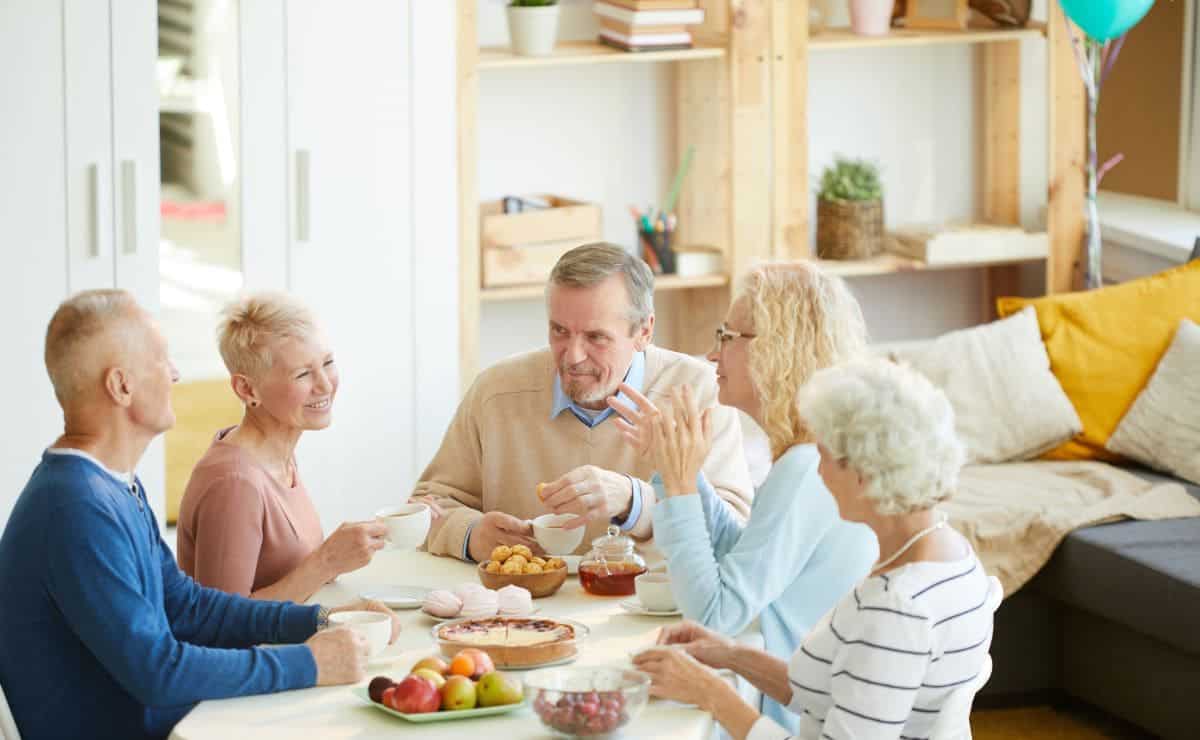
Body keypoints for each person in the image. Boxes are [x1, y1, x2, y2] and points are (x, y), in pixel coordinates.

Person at [0, 290, 399, 740]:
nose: (174, 373)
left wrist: (318, 620)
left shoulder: (108, 486)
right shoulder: (74, 510)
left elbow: (189, 607)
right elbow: (159, 672)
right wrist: (310, 662)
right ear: (121, 386)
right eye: (161, 359)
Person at [633, 359, 1001, 740]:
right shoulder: (952, 555)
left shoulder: (897, 608)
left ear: (863, 472)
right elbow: (839, 690)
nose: (817, 470)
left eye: (822, 454)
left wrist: (712, 695)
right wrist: (730, 655)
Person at [610, 262, 878, 729]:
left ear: (777, 348)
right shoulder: (812, 454)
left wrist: (677, 487)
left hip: (789, 720)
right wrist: (677, 468)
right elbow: (743, 559)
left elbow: (717, 612)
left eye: (727, 336)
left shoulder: (806, 467)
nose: (712, 354)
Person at [416, 243, 753, 563]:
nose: (573, 357)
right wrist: (471, 534)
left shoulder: (699, 393)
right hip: (519, 612)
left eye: (596, 337)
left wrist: (635, 503)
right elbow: (427, 506)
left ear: (644, 331)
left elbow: (736, 536)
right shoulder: (496, 392)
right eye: (559, 331)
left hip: (649, 613)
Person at [177, 292, 436, 602]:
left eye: (327, 363)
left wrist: (383, 532)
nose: (325, 385)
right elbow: (219, 627)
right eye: (302, 374)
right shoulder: (235, 484)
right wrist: (326, 561)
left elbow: (287, 569)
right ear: (246, 389)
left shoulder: (275, 456)